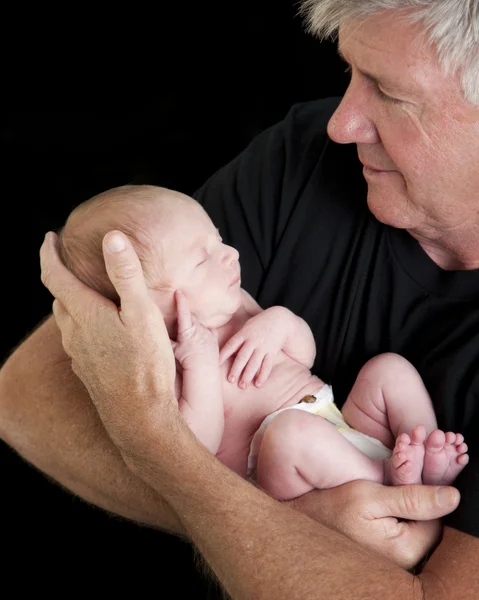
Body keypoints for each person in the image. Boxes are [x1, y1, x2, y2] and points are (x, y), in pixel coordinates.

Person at [1, 0, 479, 597]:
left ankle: (417, 455)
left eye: (387, 90)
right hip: (306, 444)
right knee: (305, 430)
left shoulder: (220, 275)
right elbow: (21, 394)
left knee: (388, 376)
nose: (340, 123)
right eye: (350, 74)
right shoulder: (306, 159)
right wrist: (293, 525)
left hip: (341, 430)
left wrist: (218, 503)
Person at [58, 183, 468, 498]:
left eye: (218, 238)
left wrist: (278, 322)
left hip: (340, 426)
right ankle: (386, 480)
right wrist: (199, 366)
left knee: (388, 369)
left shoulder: (237, 304)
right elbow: (192, 450)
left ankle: (423, 446)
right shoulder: (164, 360)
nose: (231, 254)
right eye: (203, 258)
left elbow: (304, 356)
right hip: (287, 471)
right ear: (141, 303)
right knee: (289, 433)